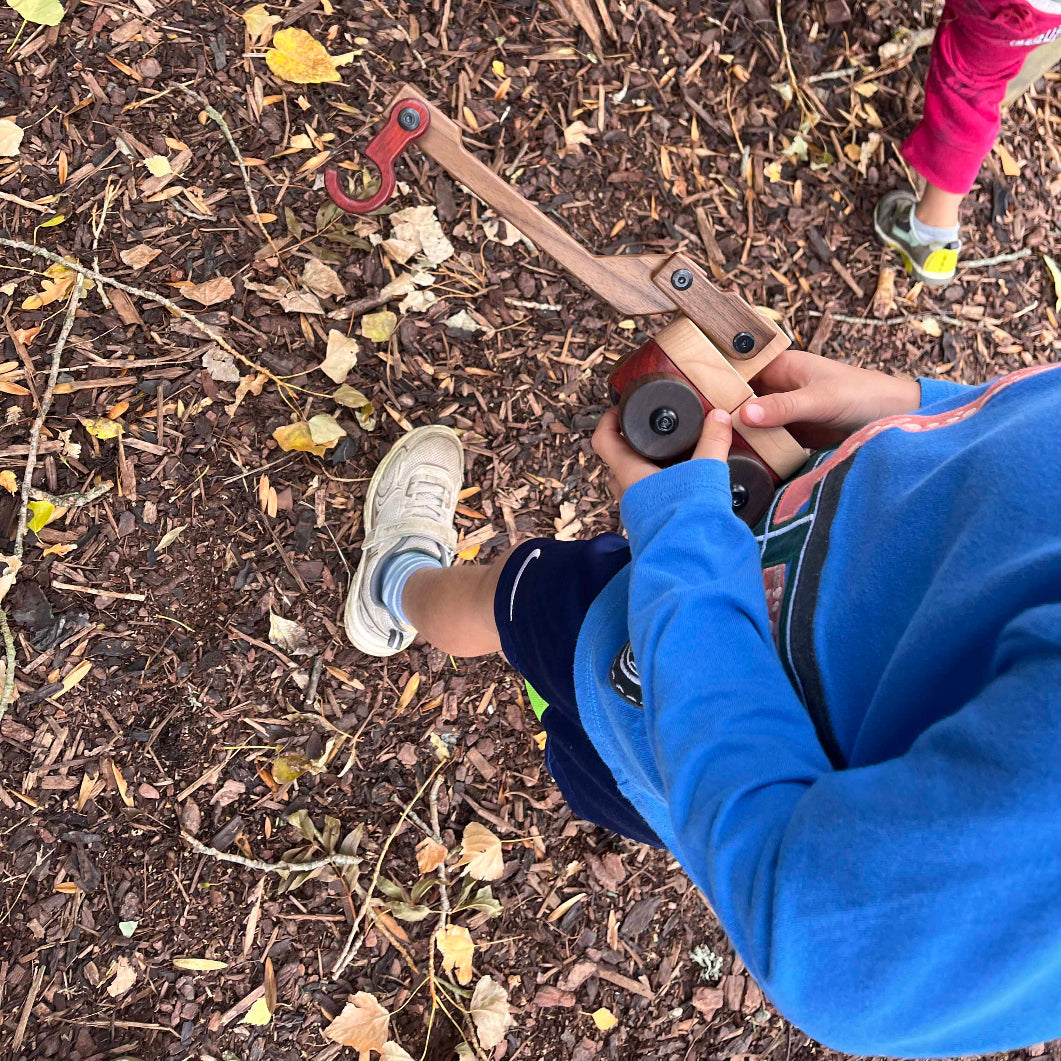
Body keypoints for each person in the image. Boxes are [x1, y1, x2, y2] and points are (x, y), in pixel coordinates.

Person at [344, 350, 1061, 1056]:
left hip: (691, 682)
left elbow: (843, 957)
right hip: (728, 610)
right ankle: (551, 686)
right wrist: (927, 408)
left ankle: (396, 584)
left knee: (515, 595)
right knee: (561, 658)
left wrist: (684, 553)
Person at [874, 0, 1061, 286]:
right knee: (975, 88)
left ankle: (931, 232)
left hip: (1010, 10)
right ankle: (932, 234)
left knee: (968, 94)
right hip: (1042, 17)